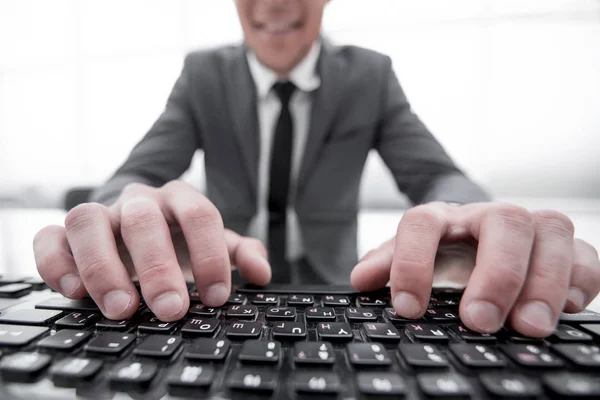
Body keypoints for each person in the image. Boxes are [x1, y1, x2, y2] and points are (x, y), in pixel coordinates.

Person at [33, 0, 599, 339]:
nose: (274, 5)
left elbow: (436, 176)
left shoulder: (370, 77)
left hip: (339, 293)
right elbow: (135, 174)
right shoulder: (202, 75)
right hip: (221, 293)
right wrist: (123, 207)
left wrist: (464, 213)